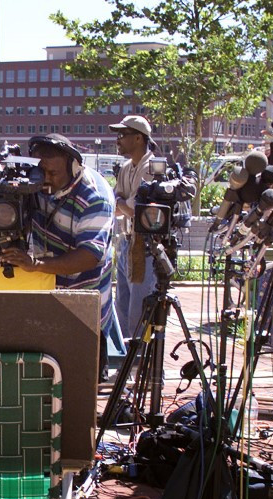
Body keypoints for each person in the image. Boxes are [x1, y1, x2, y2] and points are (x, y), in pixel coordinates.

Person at [0, 133, 115, 359]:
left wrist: (36, 264)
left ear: (73, 167)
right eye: (42, 172)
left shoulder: (95, 196)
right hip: (48, 294)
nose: (46, 179)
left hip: (85, 302)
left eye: (53, 173)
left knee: (81, 379)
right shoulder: (36, 183)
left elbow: (90, 255)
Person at [110, 115, 157, 338]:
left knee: (138, 310)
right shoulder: (128, 167)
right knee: (122, 305)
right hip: (126, 241)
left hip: (145, 247)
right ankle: (126, 364)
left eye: (122, 135)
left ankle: (141, 364)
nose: (118, 140)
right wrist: (122, 204)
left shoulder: (152, 167)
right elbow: (116, 204)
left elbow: (135, 208)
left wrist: (122, 204)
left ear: (139, 138)